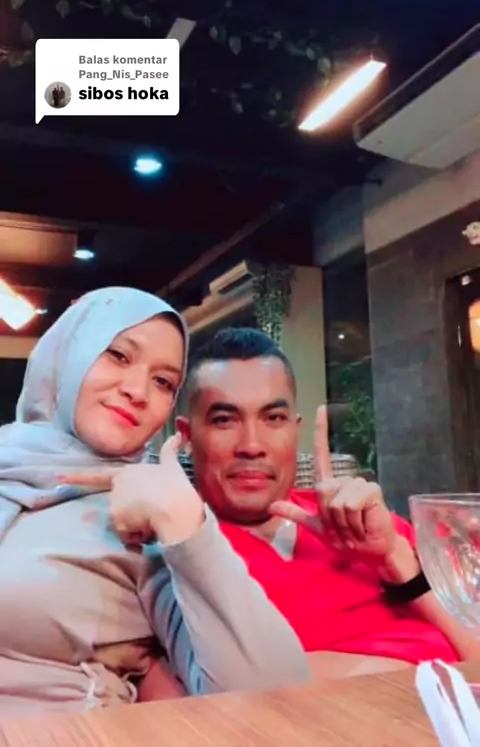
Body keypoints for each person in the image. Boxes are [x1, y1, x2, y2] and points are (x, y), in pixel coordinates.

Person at [0, 292, 307, 715]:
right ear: (69, 352)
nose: (137, 391)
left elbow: (276, 697)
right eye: (119, 356)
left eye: (163, 382)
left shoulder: (144, 523)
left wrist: (186, 527)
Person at [174, 327, 480, 681]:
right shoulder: (183, 549)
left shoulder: (358, 516)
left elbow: (475, 647)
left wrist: (394, 559)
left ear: (295, 429)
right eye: (224, 420)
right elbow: (235, 691)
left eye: (273, 419)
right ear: (187, 436)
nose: (252, 446)